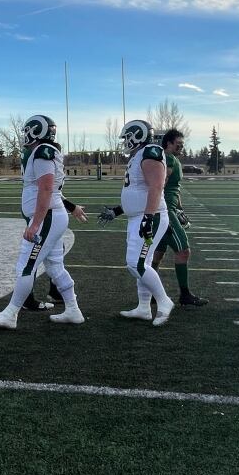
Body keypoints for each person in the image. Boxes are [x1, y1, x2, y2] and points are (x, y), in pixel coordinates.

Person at [0, 115, 84, 329]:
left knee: (26, 266)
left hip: (47, 217)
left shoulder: (42, 152)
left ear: (36, 131)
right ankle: (73, 310)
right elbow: (51, 189)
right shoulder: (45, 151)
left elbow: (46, 188)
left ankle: (10, 314)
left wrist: (36, 223)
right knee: (55, 266)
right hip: (52, 216)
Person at [98, 119, 174, 326]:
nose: (125, 141)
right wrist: (117, 210)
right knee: (143, 263)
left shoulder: (150, 152)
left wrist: (148, 217)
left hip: (151, 216)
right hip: (138, 216)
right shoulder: (139, 155)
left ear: (137, 135)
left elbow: (156, 187)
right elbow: (137, 193)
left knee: (136, 263)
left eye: (127, 137)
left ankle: (164, 301)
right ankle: (143, 307)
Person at [151, 128, 208, 307]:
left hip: (166, 210)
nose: (181, 147)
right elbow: (160, 186)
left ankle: (150, 292)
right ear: (168, 143)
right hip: (165, 211)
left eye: (182, 145)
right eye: (179, 144)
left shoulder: (169, 158)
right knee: (183, 251)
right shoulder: (168, 159)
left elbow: (174, 188)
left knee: (158, 253)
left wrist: (180, 209)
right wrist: (167, 212)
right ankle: (184, 295)